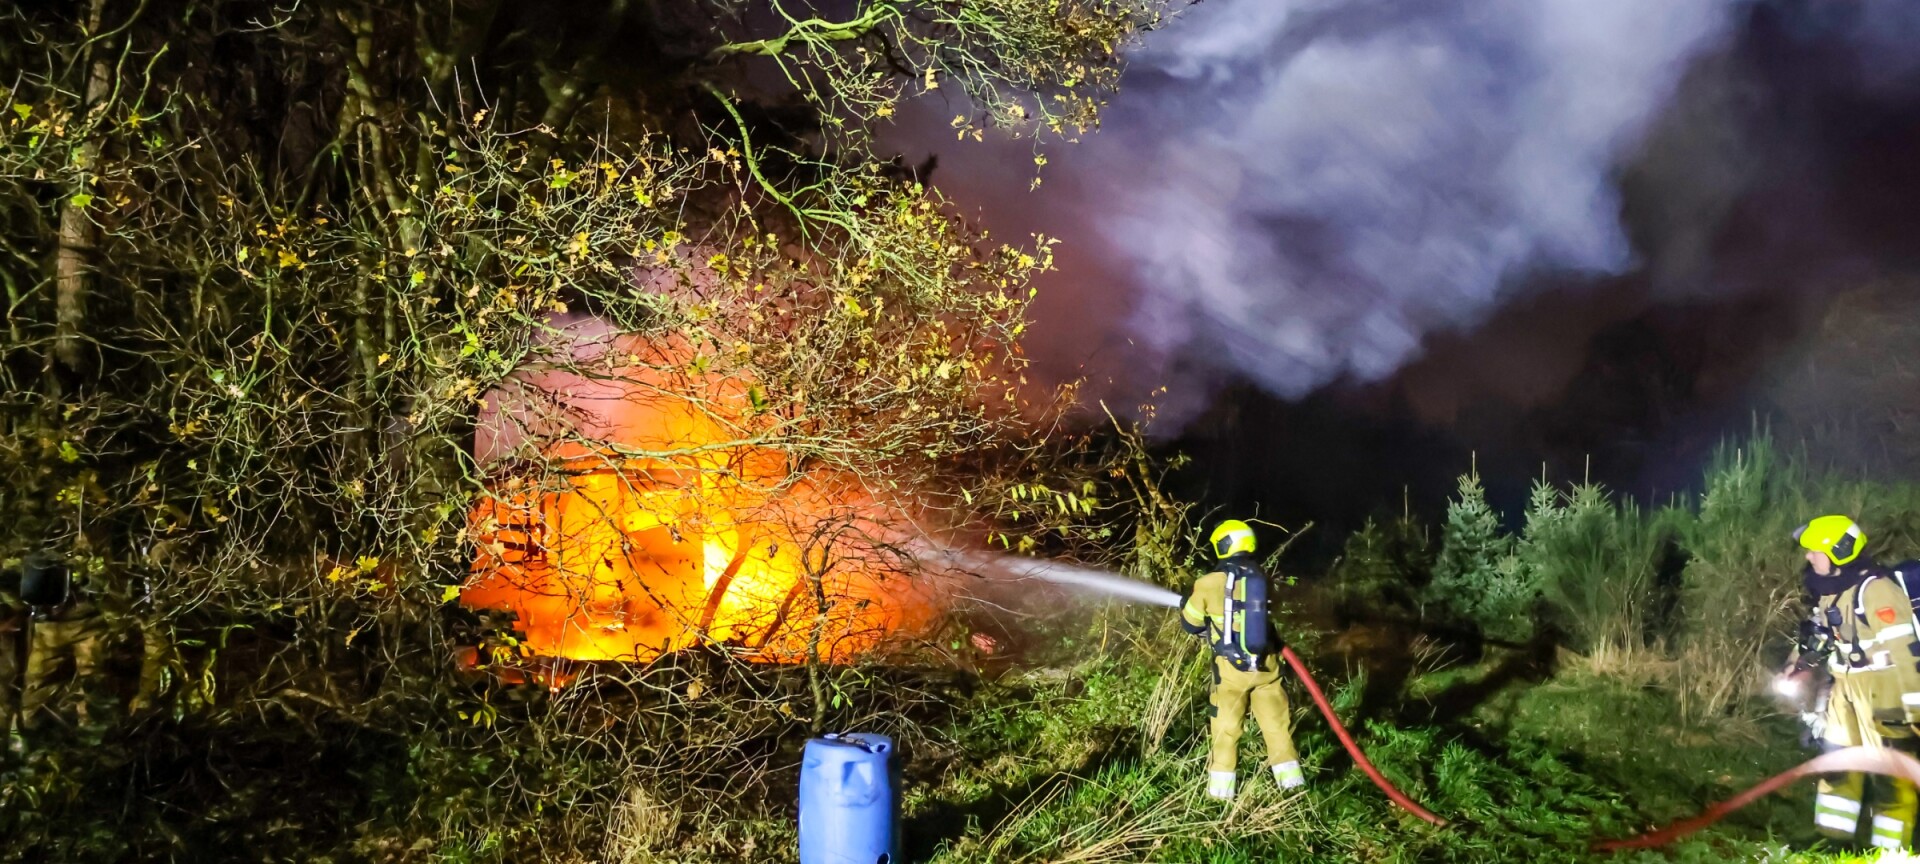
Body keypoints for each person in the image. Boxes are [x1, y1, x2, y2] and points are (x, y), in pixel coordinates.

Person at [1791, 515, 1920, 851]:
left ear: (1839, 552)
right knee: (1837, 767)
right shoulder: (1830, 590)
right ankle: (1832, 842)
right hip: (1845, 691)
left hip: (1886, 690)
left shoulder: (1876, 590)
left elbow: (1907, 653)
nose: (1808, 556)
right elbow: (1822, 634)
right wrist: (1796, 665)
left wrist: (1914, 711)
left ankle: (1890, 852)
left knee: (1892, 780)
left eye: (1814, 550)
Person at [1180, 519, 1302, 800]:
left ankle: (1220, 795)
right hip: (1267, 667)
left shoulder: (1209, 583)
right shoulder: (1263, 578)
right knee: (1276, 725)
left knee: (1226, 729)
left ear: (1222, 546)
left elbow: (1191, 623)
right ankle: (1293, 786)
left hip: (1231, 673)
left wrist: (1188, 602)